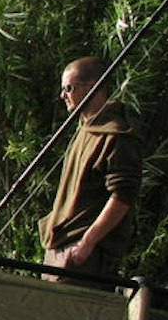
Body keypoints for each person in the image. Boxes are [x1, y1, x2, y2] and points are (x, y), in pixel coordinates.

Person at [38, 56, 142, 279]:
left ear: (92, 87)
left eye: (69, 88)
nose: (62, 95)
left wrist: (87, 242)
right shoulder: (84, 129)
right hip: (58, 248)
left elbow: (122, 197)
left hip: (85, 257)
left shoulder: (117, 134)